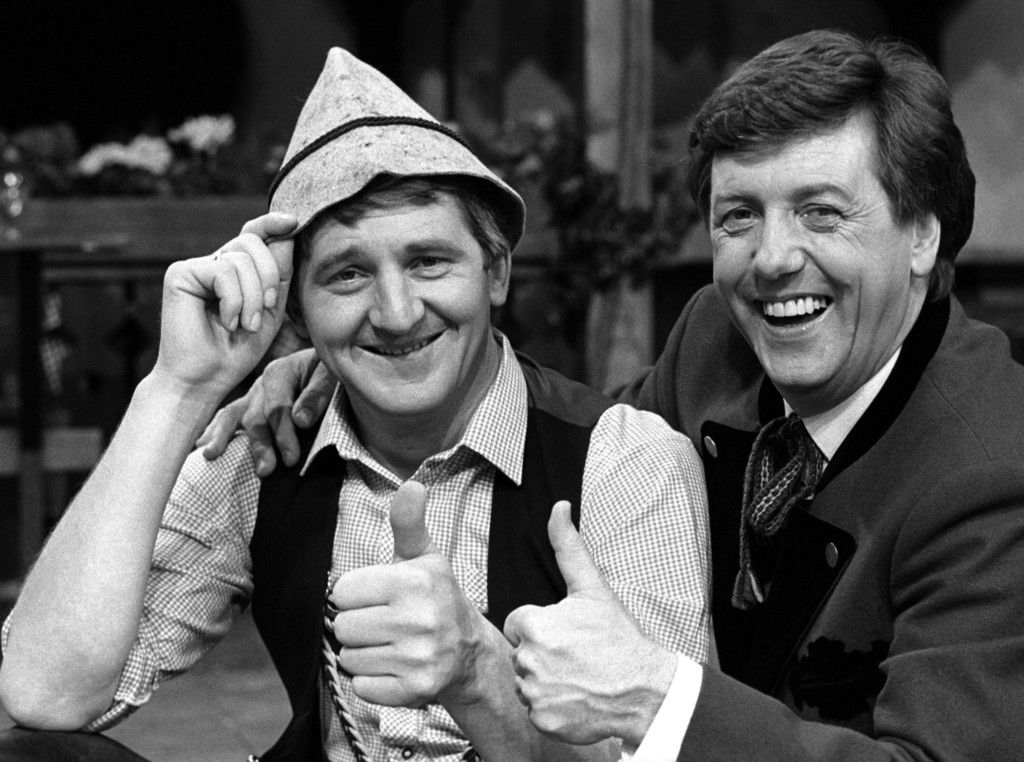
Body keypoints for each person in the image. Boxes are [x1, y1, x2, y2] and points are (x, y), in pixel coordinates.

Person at [208, 29, 1024, 759]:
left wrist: (658, 703)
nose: (773, 259)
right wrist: (364, 372)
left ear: (922, 233)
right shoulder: (718, 335)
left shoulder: (995, 473)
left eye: (820, 212)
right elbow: (572, 439)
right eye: (739, 216)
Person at [0, 49, 712, 761]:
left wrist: (477, 674)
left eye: (428, 261)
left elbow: (666, 751)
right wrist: (176, 389)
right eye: (347, 275)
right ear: (298, 315)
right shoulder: (267, 451)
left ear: (495, 271)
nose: (397, 314)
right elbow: (44, 694)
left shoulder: (624, 463)